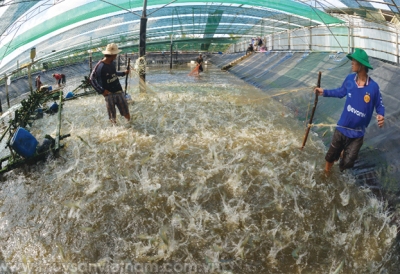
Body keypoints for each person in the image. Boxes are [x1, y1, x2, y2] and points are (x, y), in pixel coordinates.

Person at [314, 48, 385, 172]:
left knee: (347, 163)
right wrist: (324, 92)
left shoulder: (373, 87)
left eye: (354, 61)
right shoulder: (350, 80)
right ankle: (326, 173)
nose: (351, 63)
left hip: (357, 134)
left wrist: (380, 115)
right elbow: (340, 92)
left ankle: (343, 155)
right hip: (342, 128)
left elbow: (380, 104)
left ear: (361, 65)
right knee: (330, 156)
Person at [91, 43, 130, 124]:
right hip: (109, 94)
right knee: (112, 117)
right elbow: (91, 79)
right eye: (116, 54)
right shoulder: (100, 66)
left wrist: (123, 73)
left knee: (126, 112)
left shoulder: (112, 63)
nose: (116, 55)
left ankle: (130, 126)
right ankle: (115, 130)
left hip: (118, 91)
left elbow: (114, 73)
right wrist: (102, 91)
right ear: (113, 55)